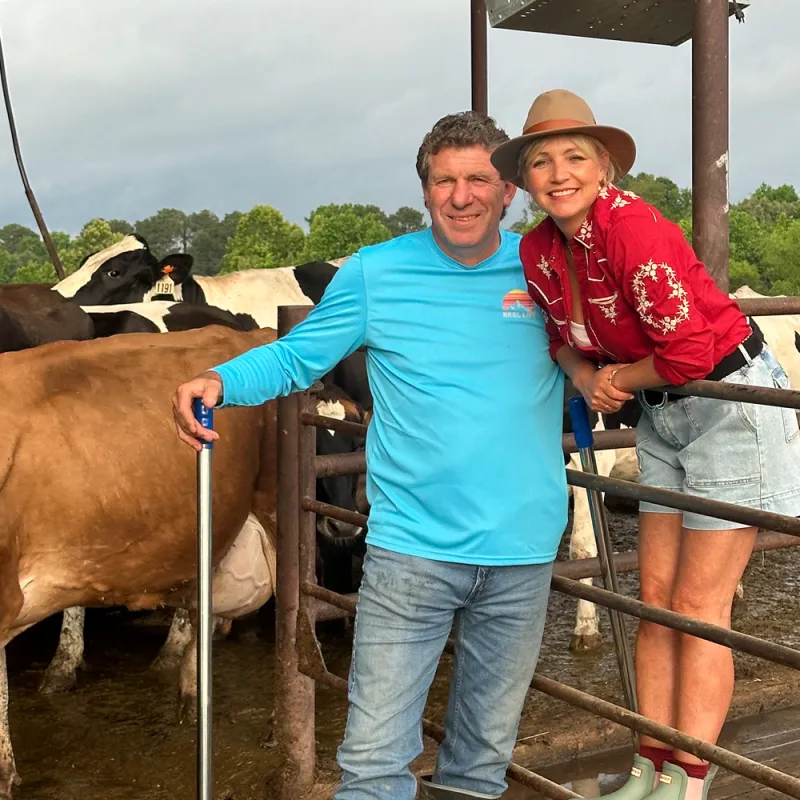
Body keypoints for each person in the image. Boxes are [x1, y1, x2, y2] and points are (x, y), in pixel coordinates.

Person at [172, 111, 569, 800]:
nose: (462, 195)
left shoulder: (548, 267)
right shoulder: (377, 273)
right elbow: (300, 356)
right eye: (444, 180)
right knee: (374, 762)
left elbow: (614, 336)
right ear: (424, 192)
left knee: (480, 764)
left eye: (479, 178)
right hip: (411, 552)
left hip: (523, 551)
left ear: (509, 191)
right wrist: (222, 380)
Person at [490, 88, 800, 800]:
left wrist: (614, 378)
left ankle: (689, 783)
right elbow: (556, 341)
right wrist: (587, 375)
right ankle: (646, 769)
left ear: (604, 168)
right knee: (653, 597)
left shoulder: (637, 230)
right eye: (542, 161)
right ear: (527, 179)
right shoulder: (539, 250)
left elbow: (690, 349)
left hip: (728, 401)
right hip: (660, 410)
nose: (559, 172)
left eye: (575, 157)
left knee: (698, 605)